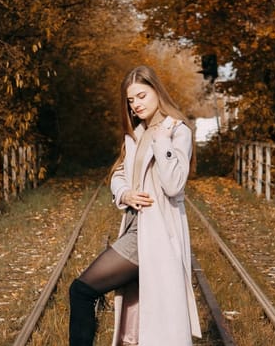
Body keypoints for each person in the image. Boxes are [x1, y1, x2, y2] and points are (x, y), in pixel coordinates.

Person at [69, 65, 201, 346]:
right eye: (131, 100)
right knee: (140, 324)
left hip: (157, 236)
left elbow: (174, 184)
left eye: (141, 96)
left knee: (82, 290)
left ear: (157, 91)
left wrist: (162, 140)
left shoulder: (177, 131)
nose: (136, 104)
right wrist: (125, 193)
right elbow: (118, 174)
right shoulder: (136, 133)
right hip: (136, 230)